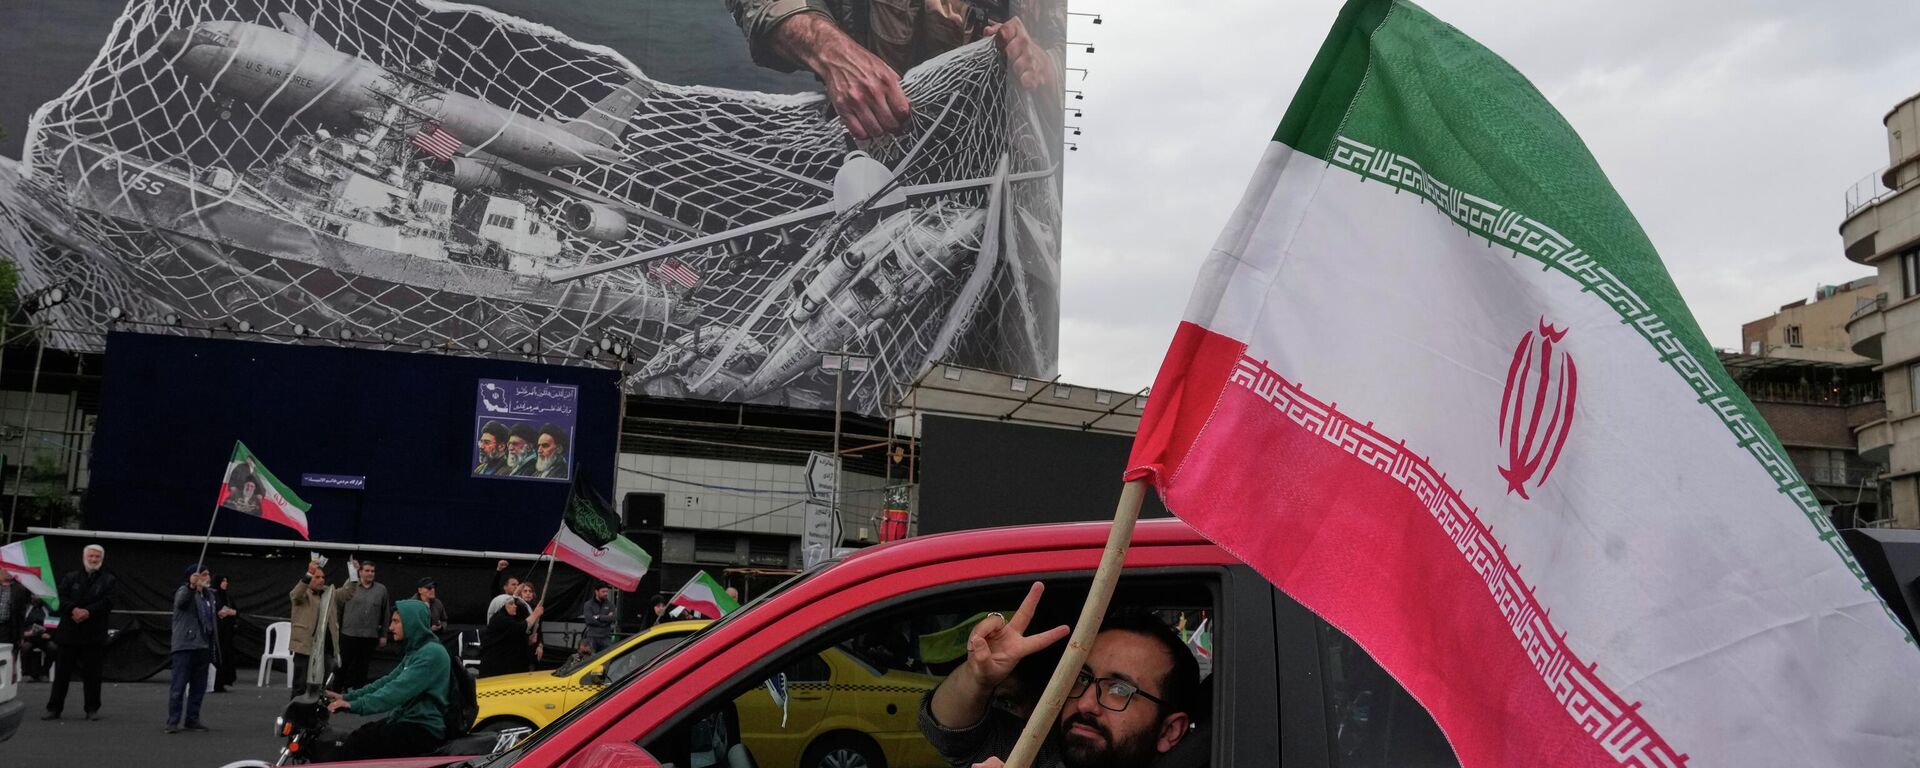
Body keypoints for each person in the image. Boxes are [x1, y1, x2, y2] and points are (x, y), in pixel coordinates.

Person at [919, 583, 1198, 768]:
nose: (1086, 703)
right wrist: (977, 677)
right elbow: (950, 734)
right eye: (1083, 678)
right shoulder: (1042, 751)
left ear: (1169, 730)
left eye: (1120, 689)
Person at [724, 0, 1058, 139]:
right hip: (868, 140)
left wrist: (1048, 67)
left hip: (1007, 143)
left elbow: (1095, 59)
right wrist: (830, 50)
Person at [324, 601, 452, 760]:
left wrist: (355, 705)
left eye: (396, 622)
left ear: (413, 622)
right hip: (408, 720)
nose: (391, 627)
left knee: (358, 745)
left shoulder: (431, 653)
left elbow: (396, 691)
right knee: (358, 736)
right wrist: (346, 697)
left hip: (423, 728)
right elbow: (387, 681)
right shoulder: (416, 651)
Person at [46, 543, 116, 721]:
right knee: (62, 673)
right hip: (69, 632)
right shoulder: (70, 577)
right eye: (91, 556)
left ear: (102, 559)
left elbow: (108, 602)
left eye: (97, 557)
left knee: (93, 674)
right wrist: (73, 610)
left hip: (94, 634)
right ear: (84, 557)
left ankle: (92, 709)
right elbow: (61, 598)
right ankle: (54, 708)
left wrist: (88, 612)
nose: (93, 559)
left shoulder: (109, 580)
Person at [167, 563, 219, 733]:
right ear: (193, 577)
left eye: (207, 574)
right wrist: (190, 587)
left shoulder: (209, 596)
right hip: (185, 645)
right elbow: (182, 604)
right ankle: (173, 721)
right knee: (179, 685)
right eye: (203, 574)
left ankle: (192, 718)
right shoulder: (184, 592)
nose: (207, 577)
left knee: (199, 686)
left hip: (203, 645)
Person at [335, 560, 391, 691]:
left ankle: (358, 695)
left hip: (369, 636)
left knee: (362, 667)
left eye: (372, 571)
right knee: (342, 665)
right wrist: (336, 628)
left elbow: (386, 613)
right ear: (360, 572)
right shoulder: (350, 585)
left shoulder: (381, 590)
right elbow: (339, 607)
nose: (370, 573)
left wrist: (384, 635)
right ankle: (335, 692)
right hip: (348, 634)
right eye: (367, 570)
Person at [289, 558, 341, 698]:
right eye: (317, 577)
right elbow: (295, 594)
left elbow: (346, 594)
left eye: (323, 577)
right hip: (305, 647)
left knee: (323, 687)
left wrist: (354, 575)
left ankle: (318, 716)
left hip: (325, 648)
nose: (321, 580)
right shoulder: (303, 594)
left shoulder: (328, 593)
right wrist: (309, 573)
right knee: (300, 685)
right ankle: (294, 717)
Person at [479, 587, 542, 676]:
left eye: (514, 603)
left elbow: (512, 639)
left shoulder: (508, 619)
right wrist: (535, 614)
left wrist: (528, 641)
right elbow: (521, 627)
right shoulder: (500, 619)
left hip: (507, 668)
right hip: (496, 670)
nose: (515, 606)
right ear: (501, 606)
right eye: (511, 604)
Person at [212, 574, 241, 692]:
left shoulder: (228, 597)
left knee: (226, 656)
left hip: (227, 632)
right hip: (217, 632)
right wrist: (228, 612)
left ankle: (223, 681)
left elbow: (235, 611)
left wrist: (229, 612)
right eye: (223, 581)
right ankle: (215, 683)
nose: (225, 583)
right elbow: (218, 611)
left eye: (226, 581)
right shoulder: (213, 596)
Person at [0, 567, 28, 680]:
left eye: (10, 571)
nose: (9, 573)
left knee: (8, 656)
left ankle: (8, 681)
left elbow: (22, 615)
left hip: (9, 628)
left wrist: (21, 635)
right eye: (5, 570)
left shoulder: (19, 589)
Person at [18, 595, 54, 681]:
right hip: (29, 638)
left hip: (44, 638)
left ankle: (44, 673)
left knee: (53, 647)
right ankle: (26, 673)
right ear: (30, 596)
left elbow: (53, 624)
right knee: (25, 647)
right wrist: (24, 633)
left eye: (39, 596)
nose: (36, 597)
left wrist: (49, 634)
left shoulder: (48, 609)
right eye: (34, 595)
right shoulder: (26, 608)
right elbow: (19, 623)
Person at [579, 583, 615, 653]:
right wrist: (605, 620)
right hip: (592, 637)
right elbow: (589, 620)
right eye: (603, 592)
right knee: (590, 658)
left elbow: (613, 618)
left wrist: (598, 617)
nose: (605, 594)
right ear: (596, 592)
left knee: (608, 658)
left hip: (606, 637)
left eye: (607, 592)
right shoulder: (588, 604)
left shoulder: (610, 605)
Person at [518, 582, 546, 665]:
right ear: (520, 594)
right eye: (525, 591)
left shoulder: (536, 608)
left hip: (534, 648)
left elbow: (539, 630)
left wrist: (540, 645)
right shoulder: (518, 608)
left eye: (530, 591)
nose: (528, 593)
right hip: (521, 647)